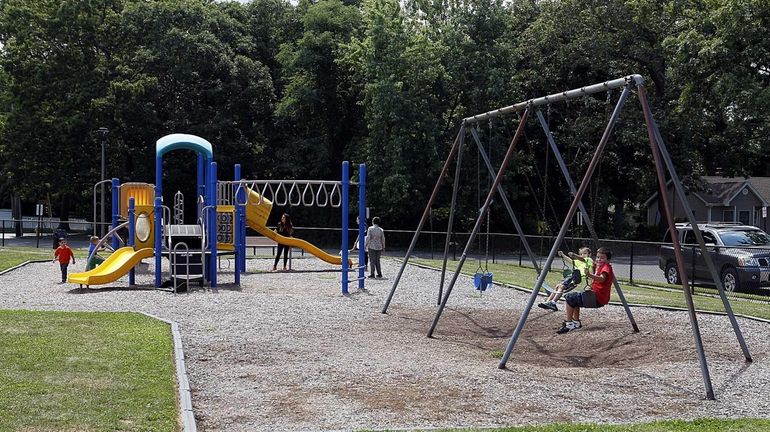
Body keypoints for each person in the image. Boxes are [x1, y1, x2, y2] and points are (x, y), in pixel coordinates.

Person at [557, 247, 614, 334]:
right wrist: (575, 255)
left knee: (569, 297)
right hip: (597, 296)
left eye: (602, 258)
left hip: (597, 298)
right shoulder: (598, 265)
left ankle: (569, 324)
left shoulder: (606, 268)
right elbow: (583, 260)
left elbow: (602, 279)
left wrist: (589, 274)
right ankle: (576, 322)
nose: (599, 259)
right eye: (598, 257)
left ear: (608, 259)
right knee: (575, 298)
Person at [538, 247, 593, 311]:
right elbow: (570, 261)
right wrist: (563, 255)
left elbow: (582, 259)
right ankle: (548, 302)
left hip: (577, 278)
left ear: (589, 254)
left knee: (561, 286)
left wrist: (574, 255)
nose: (582, 255)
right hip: (572, 276)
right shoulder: (579, 262)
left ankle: (553, 303)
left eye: (585, 253)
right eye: (581, 254)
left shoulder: (589, 260)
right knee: (558, 286)